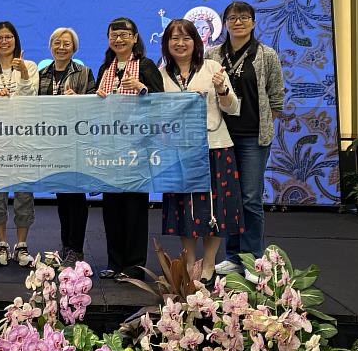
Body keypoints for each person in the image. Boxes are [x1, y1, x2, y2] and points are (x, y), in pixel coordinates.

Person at [158, 19, 242, 286]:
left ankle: (209, 262)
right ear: (166, 43)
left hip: (215, 147)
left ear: (196, 42)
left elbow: (233, 108)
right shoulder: (161, 73)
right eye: (174, 38)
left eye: (186, 38)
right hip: (180, 151)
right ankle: (190, 261)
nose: (180, 44)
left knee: (217, 206)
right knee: (186, 207)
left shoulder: (213, 68)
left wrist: (222, 89)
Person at [205, 1, 284, 280]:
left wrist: (264, 121)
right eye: (233, 17)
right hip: (221, 136)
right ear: (225, 23)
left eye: (244, 17)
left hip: (252, 136)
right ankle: (232, 256)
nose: (238, 22)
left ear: (253, 22)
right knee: (229, 198)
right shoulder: (213, 54)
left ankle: (253, 259)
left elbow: (276, 96)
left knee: (250, 198)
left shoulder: (266, 54)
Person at [95, 17, 163, 281]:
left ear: (135, 38)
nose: (119, 39)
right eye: (114, 35)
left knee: (134, 207)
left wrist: (143, 88)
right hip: (110, 147)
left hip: (138, 148)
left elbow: (161, 102)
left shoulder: (145, 66)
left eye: (124, 35)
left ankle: (134, 264)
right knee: (111, 206)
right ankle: (114, 261)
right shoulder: (105, 69)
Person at [37, 27, 96, 269]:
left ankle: (77, 249)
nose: (62, 47)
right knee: (62, 199)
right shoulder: (41, 74)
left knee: (77, 199)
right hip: (53, 144)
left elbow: (95, 104)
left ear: (75, 48)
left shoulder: (84, 73)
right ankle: (66, 247)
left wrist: (79, 101)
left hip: (77, 143)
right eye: (57, 43)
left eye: (67, 44)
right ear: (51, 46)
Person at [0, 21, 39, 267]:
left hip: (23, 139)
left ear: (16, 40)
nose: (4, 41)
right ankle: (1, 244)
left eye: (8, 37)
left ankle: (21, 246)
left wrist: (25, 75)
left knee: (23, 194)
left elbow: (32, 99)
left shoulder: (29, 66)